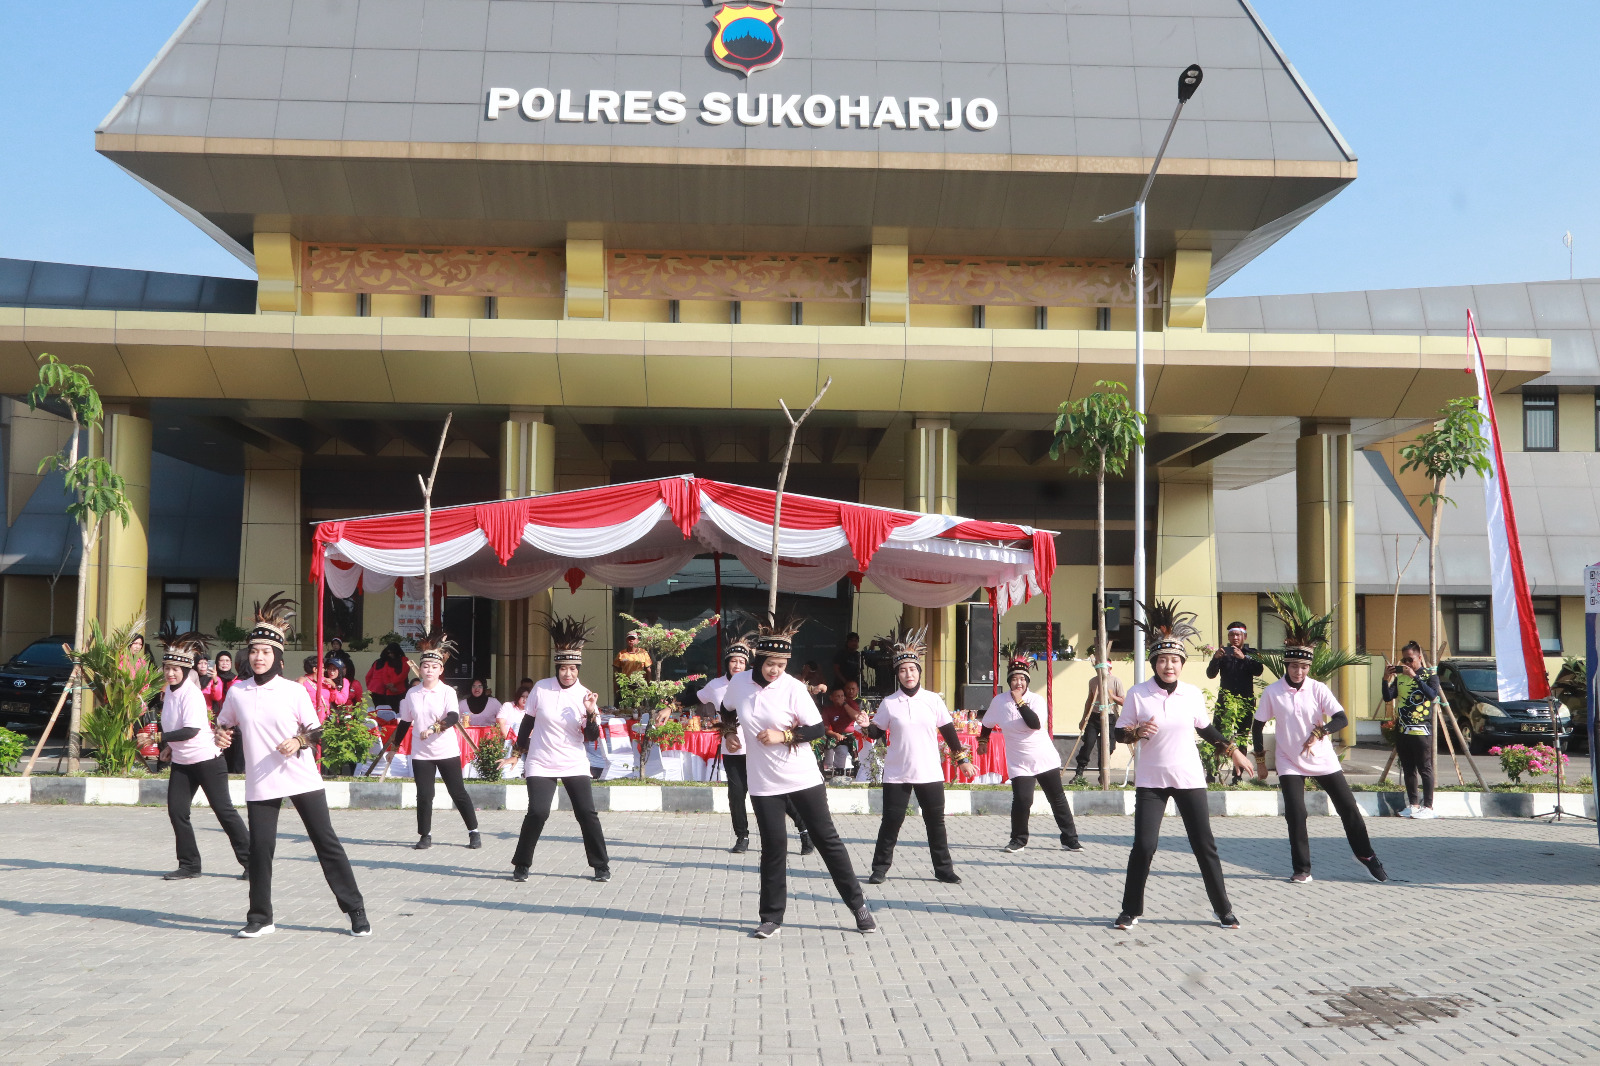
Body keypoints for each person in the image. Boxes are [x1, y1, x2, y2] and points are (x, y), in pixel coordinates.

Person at [215, 592, 367, 939]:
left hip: (300, 776)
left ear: (278, 657)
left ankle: (355, 909)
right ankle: (260, 917)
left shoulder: (294, 691)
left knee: (325, 842)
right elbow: (224, 725)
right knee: (260, 850)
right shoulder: (237, 692)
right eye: (254, 651)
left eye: (265, 652)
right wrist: (220, 737)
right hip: (261, 780)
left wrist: (299, 742)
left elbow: (316, 731)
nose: (258, 657)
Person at [719, 616, 874, 938]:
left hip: (803, 778)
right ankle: (771, 917)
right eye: (770, 663)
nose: (775, 670)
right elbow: (727, 710)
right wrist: (731, 732)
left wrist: (784, 736)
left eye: (781, 664)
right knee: (773, 847)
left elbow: (817, 729)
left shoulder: (792, 688)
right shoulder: (739, 683)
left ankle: (858, 905)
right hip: (763, 783)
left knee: (827, 841)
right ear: (759, 659)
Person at [1113, 600, 1253, 931]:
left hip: (1189, 780)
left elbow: (1206, 728)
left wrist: (1234, 752)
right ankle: (1130, 910)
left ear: (1182, 663)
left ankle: (1224, 910)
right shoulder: (1138, 693)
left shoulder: (1190, 694)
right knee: (1144, 847)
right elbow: (1121, 733)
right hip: (1151, 782)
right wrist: (1136, 731)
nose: (1169, 665)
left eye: (1174, 660)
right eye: (1162, 660)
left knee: (1204, 846)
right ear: (1154, 663)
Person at [1256, 593, 1387, 884]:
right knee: (1296, 813)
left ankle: (1365, 855)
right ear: (1286, 666)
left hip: (1322, 758)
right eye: (1293, 666)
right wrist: (1261, 761)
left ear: (1309, 668)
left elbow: (1341, 719)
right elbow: (1257, 725)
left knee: (1348, 808)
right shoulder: (1273, 692)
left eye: (1303, 667)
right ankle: (1302, 868)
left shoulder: (1317, 689)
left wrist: (1321, 731)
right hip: (1289, 760)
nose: (1298, 671)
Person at [863, 626, 975, 885]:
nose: (908, 674)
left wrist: (963, 760)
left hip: (929, 772)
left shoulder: (933, 700)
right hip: (897, 773)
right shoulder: (889, 703)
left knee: (935, 824)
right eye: (903, 670)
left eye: (912, 669)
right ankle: (879, 868)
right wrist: (863, 724)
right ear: (897, 675)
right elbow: (875, 733)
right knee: (891, 822)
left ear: (919, 672)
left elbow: (949, 732)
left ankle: (944, 869)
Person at [511, 614, 611, 883]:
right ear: (557, 668)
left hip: (573, 761)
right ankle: (521, 864)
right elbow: (527, 723)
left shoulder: (586, 695)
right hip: (541, 761)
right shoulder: (541, 688)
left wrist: (590, 713)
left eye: (573, 669)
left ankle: (601, 865)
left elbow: (591, 736)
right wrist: (518, 752)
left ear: (578, 669)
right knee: (538, 812)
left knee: (586, 813)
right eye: (564, 668)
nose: (568, 673)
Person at [702, 633, 812, 854]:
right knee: (736, 795)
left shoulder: (762, 683)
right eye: (733, 660)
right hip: (734, 751)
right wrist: (728, 733)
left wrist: (783, 735)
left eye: (742, 661)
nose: (737, 664)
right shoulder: (717, 685)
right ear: (726, 662)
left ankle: (804, 831)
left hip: (761, 751)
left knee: (780, 794)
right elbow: (719, 709)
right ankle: (742, 837)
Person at [157, 630, 250, 881]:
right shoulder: (169, 692)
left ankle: (253, 863)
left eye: (176, 668)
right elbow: (175, 727)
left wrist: (159, 740)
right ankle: (189, 864)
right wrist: (169, 747)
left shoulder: (191, 693)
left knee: (224, 811)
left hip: (207, 761)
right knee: (177, 811)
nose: (170, 672)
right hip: (182, 762)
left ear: (186, 670)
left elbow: (190, 730)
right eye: (167, 667)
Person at [980, 653, 1081, 854]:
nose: (1018, 683)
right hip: (1019, 761)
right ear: (1009, 681)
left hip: (1043, 757)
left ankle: (1070, 839)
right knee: (1023, 800)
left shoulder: (1036, 700)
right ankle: (1018, 840)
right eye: (1014, 679)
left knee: (1056, 797)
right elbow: (987, 723)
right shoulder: (999, 701)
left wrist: (1019, 702)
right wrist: (983, 741)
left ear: (1027, 682)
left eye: (1022, 679)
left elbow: (1034, 724)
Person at [393, 631, 479, 851]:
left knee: (457, 792)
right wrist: (394, 746)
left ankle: (473, 831)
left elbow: (453, 717)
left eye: (434, 667)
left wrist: (434, 728)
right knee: (424, 794)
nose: (429, 670)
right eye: (426, 666)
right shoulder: (412, 693)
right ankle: (425, 835)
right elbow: (405, 722)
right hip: (421, 753)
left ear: (441, 670)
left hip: (446, 750)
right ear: (419, 669)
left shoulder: (447, 691)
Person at [1383, 640, 1442, 819]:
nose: (1407, 664)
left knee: (1425, 768)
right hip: (1403, 730)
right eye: (1404, 660)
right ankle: (1414, 804)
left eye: (1410, 660)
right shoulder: (1400, 678)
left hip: (1422, 730)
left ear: (1419, 658)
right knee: (1408, 768)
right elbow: (1387, 697)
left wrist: (1414, 677)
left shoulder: (1429, 676)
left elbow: (1432, 695)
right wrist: (1385, 679)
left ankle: (1429, 807)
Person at [1206, 621, 1266, 782]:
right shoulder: (1222, 652)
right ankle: (1212, 773)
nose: (1235, 638)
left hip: (1245, 702)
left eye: (1238, 635)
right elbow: (1210, 674)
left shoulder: (1252, 653)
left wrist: (1244, 658)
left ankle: (1237, 776)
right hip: (1224, 701)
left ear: (1244, 636)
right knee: (1217, 736)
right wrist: (1215, 659)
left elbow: (1259, 671)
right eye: (1232, 635)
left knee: (1241, 737)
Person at [1074, 661, 1124, 783]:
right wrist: (1083, 718)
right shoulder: (1093, 681)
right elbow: (1089, 700)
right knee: (1088, 744)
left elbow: (1123, 701)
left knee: (1108, 747)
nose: (1100, 672)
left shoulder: (1116, 680)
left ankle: (1103, 774)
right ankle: (1079, 773)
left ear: (1110, 667)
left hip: (1110, 717)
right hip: (1094, 716)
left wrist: (1111, 696)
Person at [206, 650, 244, 773]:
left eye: (227, 661)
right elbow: (216, 697)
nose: (224, 663)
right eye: (221, 661)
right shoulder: (209, 679)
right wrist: (215, 679)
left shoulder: (236, 679)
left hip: (232, 718)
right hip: (215, 716)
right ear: (216, 663)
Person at [819, 685, 864, 781]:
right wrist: (836, 735)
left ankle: (857, 769)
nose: (841, 698)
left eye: (842, 696)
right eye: (837, 696)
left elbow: (856, 716)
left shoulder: (850, 704)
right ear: (831, 698)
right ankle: (820, 769)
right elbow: (825, 729)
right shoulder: (827, 710)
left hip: (850, 735)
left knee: (853, 742)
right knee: (820, 740)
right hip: (835, 735)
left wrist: (844, 704)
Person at [365, 642, 410, 720]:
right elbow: (384, 675)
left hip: (397, 690)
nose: (390, 655)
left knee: (396, 712)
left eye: (391, 653)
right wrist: (389, 685)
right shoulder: (387, 662)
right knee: (385, 712)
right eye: (388, 653)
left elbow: (404, 674)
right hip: (387, 690)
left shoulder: (404, 660)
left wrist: (392, 684)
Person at [612, 631, 651, 704]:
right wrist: (616, 688)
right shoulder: (621, 654)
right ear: (626, 640)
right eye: (629, 639)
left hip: (639, 685)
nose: (631, 640)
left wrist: (647, 686)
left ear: (637, 640)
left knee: (639, 707)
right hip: (625, 685)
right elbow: (616, 672)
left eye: (633, 638)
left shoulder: (643, 653)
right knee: (623, 707)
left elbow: (648, 670)